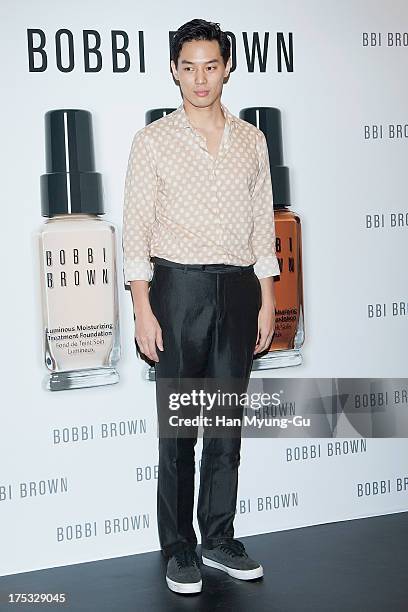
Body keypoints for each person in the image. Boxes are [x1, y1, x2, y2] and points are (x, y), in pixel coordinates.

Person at [122, 18, 280, 595]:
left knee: (225, 427)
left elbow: (263, 225)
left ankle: (218, 537)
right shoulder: (154, 140)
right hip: (178, 290)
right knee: (180, 429)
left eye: (210, 66)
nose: (199, 78)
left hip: (239, 290)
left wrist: (267, 300)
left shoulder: (252, 141)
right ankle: (179, 547)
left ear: (227, 68)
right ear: (173, 70)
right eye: (188, 67)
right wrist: (143, 307)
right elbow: (135, 232)